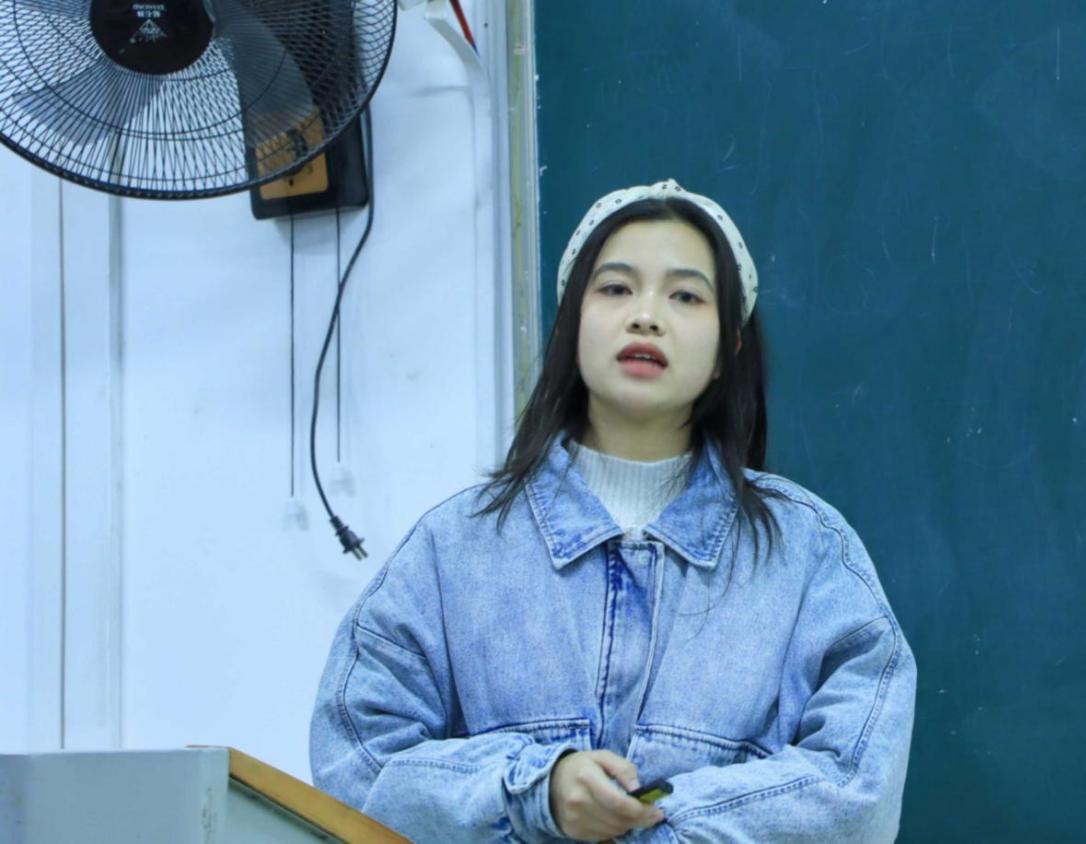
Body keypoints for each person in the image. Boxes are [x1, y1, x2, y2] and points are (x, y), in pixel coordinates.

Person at [309, 178, 917, 842]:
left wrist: (649, 823)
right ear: (573, 325)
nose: (646, 316)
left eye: (686, 296)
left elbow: (856, 793)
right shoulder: (453, 548)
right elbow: (356, 765)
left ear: (729, 350)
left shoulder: (807, 551)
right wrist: (535, 792)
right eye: (616, 288)